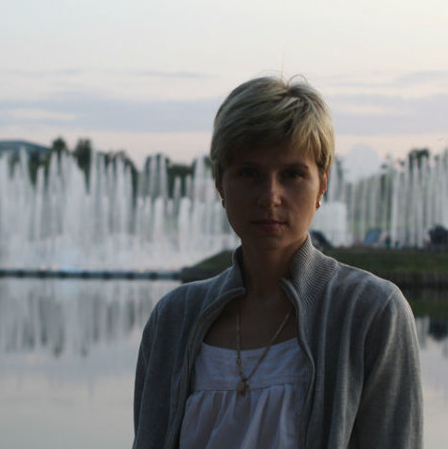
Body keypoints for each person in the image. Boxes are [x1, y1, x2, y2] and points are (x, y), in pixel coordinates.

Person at [133, 76, 423, 448]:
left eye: (292, 175)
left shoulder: (370, 313)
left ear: (322, 185)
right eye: (249, 173)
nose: (270, 196)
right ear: (220, 183)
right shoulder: (173, 320)